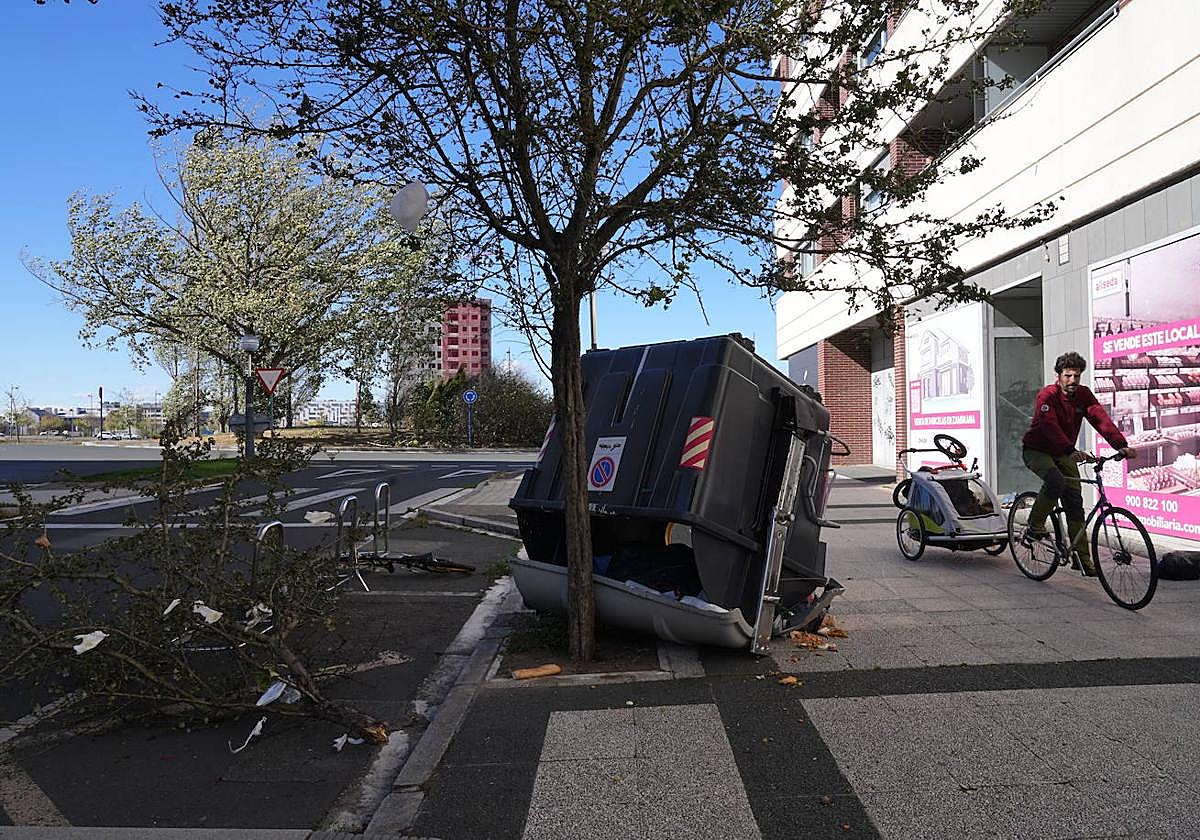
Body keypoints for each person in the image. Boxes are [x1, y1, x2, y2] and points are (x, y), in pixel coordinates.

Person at [1021, 351, 1137, 574]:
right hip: (1038, 450)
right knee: (1055, 481)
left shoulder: (1083, 395)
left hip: (1064, 452)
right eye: (1068, 376)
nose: (1073, 380)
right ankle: (1035, 526)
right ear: (1059, 376)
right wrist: (1070, 450)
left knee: (1075, 503)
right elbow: (1049, 425)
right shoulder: (1047, 396)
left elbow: (1099, 418)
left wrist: (1120, 444)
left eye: (1076, 376)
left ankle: (1082, 558)